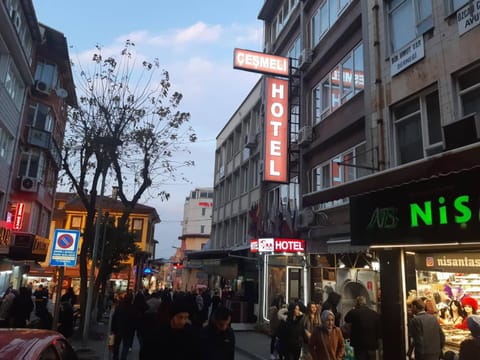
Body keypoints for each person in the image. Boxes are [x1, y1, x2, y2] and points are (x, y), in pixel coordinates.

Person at [343, 296, 381, 360]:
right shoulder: (374, 313)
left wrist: (353, 309)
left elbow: (346, 319)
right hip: (372, 344)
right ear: (365, 303)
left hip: (359, 344)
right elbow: (379, 329)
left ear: (357, 303)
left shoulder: (354, 312)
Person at [111, 292, 136, 360]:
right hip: (128, 330)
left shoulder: (119, 307)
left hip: (119, 329)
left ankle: (115, 357)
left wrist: (112, 329)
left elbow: (114, 319)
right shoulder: (133, 309)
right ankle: (123, 357)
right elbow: (134, 321)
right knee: (126, 345)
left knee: (117, 345)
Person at [268, 294, 285, 360]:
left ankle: (277, 353)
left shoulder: (279, 308)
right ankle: (272, 353)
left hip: (278, 326)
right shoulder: (274, 308)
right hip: (275, 326)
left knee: (277, 340)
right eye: (280, 301)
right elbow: (272, 318)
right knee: (274, 340)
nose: (280, 302)